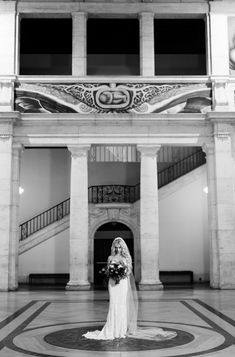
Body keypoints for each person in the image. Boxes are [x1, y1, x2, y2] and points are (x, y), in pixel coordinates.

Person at [83, 237, 176, 341]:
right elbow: (108, 271)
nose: (118, 249)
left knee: (122, 305)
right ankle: (111, 329)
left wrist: (121, 273)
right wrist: (112, 273)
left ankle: (121, 330)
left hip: (122, 283)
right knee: (113, 304)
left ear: (123, 248)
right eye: (116, 247)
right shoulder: (110, 257)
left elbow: (129, 271)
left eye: (120, 247)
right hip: (112, 283)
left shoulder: (127, 258)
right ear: (114, 247)